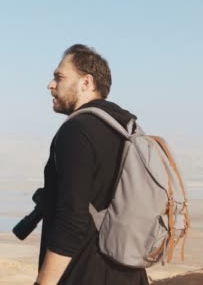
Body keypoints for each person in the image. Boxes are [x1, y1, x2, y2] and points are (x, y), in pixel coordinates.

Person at [34, 44, 148, 285]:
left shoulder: (77, 131)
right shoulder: (127, 128)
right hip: (129, 272)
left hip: (86, 272)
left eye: (59, 77)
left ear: (86, 83)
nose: (50, 85)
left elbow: (71, 222)